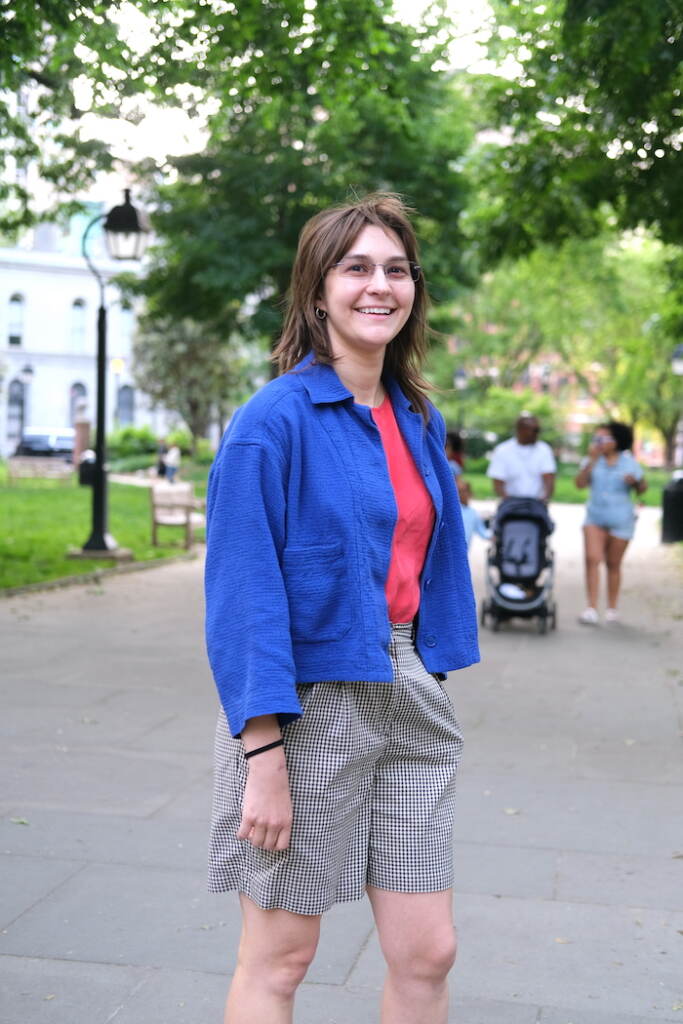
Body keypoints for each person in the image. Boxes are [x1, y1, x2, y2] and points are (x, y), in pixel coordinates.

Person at [204, 193, 480, 1024]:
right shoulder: (271, 425)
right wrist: (263, 756)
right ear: (316, 289)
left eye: (395, 269)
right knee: (281, 960)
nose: (379, 285)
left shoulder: (414, 417)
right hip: (306, 710)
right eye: (355, 267)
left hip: (409, 689)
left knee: (427, 953)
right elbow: (242, 598)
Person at [574, 420, 647, 625]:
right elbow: (579, 484)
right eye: (596, 438)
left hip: (621, 520)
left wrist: (636, 483)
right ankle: (591, 607)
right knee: (592, 559)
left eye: (603, 438)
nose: (599, 442)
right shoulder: (591, 461)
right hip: (594, 517)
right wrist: (591, 461)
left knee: (613, 564)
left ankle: (612, 608)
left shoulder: (629, 463)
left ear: (617, 441)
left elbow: (643, 488)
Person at [487, 413, 556, 502]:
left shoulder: (544, 450)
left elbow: (549, 478)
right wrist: (508, 501)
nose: (537, 433)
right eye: (535, 430)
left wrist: (544, 499)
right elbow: (497, 482)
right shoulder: (502, 450)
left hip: (536, 503)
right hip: (510, 503)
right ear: (521, 430)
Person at [457, 478, 492, 549]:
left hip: (464, 553)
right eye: (459, 492)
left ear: (470, 493)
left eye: (463, 491)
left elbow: (483, 533)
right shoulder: (455, 511)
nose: (460, 494)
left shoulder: (473, 513)